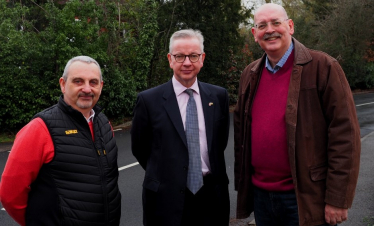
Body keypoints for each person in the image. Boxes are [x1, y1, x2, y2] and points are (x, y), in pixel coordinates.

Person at [234, 3, 361, 226]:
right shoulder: (250, 74)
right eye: (262, 25)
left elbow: (345, 137)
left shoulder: (323, 67)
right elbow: (241, 134)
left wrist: (338, 199)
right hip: (262, 197)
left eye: (276, 22)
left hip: (305, 197)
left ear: (290, 26)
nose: (270, 29)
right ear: (255, 34)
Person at [0, 56, 121, 226]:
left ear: (101, 86)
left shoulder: (104, 123)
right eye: (78, 81)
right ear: (63, 84)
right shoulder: (40, 128)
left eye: (93, 82)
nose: (87, 89)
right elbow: (10, 194)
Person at [131, 29, 230, 226]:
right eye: (179, 56)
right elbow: (140, 149)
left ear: (202, 58)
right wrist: (169, 174)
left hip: (211, 197)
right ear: (170, 59)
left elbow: (220, 142)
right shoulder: (148, 100)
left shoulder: (218, 96)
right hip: (165, 198)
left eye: (193, 56)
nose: (186, 62)